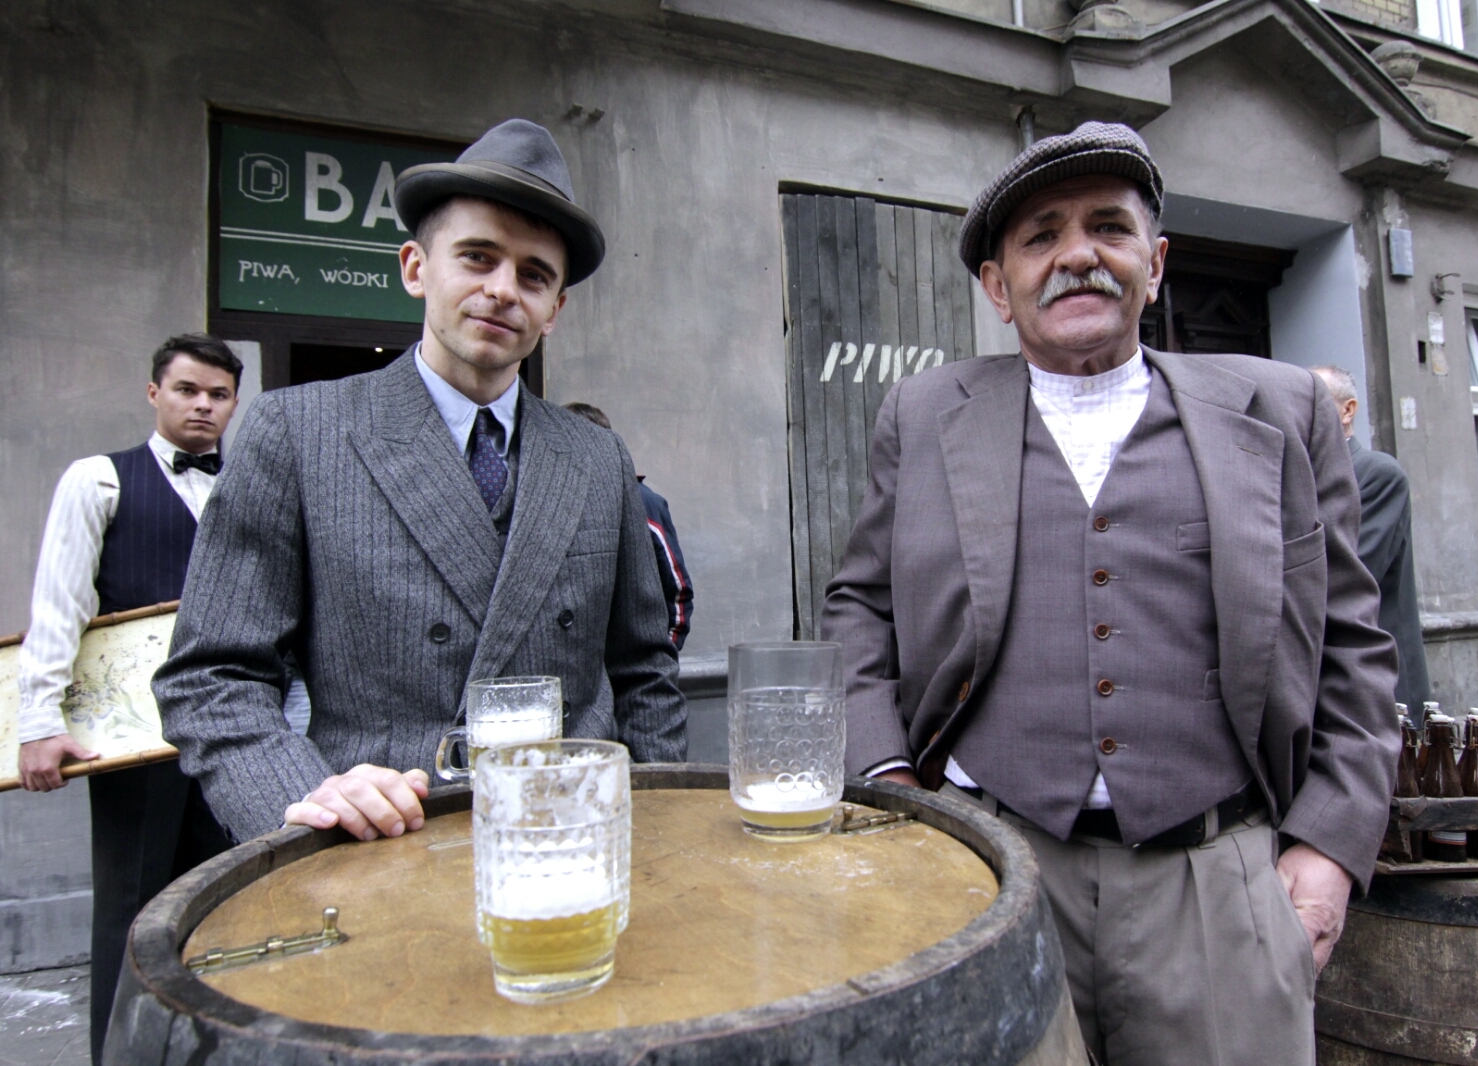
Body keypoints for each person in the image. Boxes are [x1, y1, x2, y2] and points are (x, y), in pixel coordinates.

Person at [822, 122, 1398, 1065]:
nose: (1077, 254)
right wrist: (887, 783)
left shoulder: (1280, 409)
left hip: (1219, 885)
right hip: (991, 868)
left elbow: (1352, 643)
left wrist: (1329, 848)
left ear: (1155, 263)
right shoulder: (923, 416)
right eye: (1040, 235)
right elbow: (859, 609)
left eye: (1108, 228)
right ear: (997, 287)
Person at [153, 120, 685, 849]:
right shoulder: (298, 432)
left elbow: (642, 670)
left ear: (554, 309)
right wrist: (303, 799)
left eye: (534, 275)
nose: (503, 290)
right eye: (477, 257)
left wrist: (656, 831)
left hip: (571, 846)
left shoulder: (597, 458)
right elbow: (212, 677)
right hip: (378, 848)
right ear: (414, 267)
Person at [16, 333, 242, 1065]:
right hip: (130, 737)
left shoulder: (248, 486)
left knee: (224, 905)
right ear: (155, 393)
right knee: (132, 905)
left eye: (218, 394)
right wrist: (38, 723)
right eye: (187, 390)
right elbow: (59, 610)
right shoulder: (98, 480)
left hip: (233, 735)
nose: (203, 405)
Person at [1312, 365, 1431, 713]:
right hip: (1328, 672)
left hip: (1374, 671)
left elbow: (1350, 575)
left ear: (1348, 410)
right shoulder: (1300, 475)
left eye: (1314, 402)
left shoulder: (1377, 474)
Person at [563, 401, 694, 649]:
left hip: (633, 662)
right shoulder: (556, 503)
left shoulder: (641, 502)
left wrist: (663, 656)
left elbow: (677, 589)